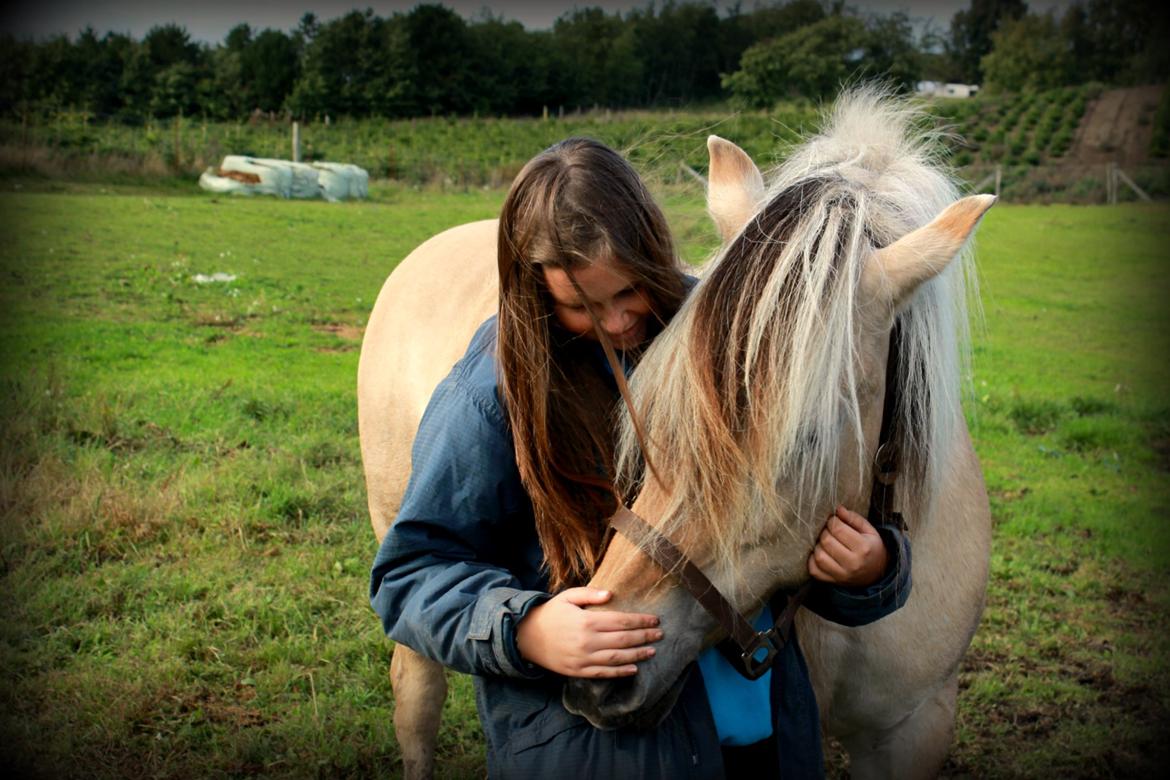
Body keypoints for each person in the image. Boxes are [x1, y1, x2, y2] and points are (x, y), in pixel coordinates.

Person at [369, 137, 911, 779]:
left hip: (757, 736)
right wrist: (527, 629)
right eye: (581, 306)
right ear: (533, 291)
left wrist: (870, 569)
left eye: (631, 289)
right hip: (594, 752)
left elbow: (770, 523)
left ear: (655, 254)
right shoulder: (491, 399)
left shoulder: (724, 340)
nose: (618, 320)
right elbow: (410, 575)